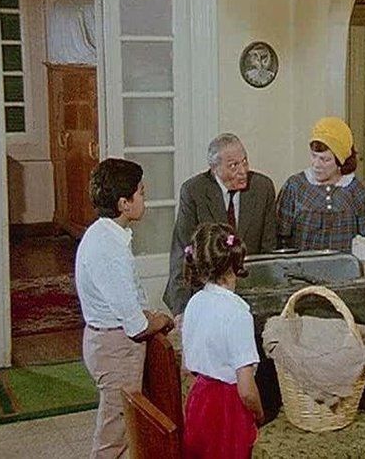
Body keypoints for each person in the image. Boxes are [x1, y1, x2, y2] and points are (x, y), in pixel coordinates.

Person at [76, 158, 174, 458]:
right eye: (141, 192)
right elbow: (136, 325)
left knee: (127, 432)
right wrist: (163, 320)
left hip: (111, 343)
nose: (145, 198)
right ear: (124, 203)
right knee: (113, 439)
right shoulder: (109, 249)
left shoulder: (105, 234)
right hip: (115, 350)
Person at [163, 133, 277, 316]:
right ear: (214, 168)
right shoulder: (194, 191)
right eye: (233, 165)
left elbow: (269, 251)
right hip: (206, 294)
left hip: (251, 294)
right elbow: (182, 253)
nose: (243, 171)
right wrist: (182, 310)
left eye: (245, 161)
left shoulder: (263, 187)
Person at [181, 223, 264, 458]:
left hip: (199, 399)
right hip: (228, 408)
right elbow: (246, 390)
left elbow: (186, 365)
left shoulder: (194, 302)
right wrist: (259, 414)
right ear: (234, 265)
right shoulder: (238, 312)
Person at [276, 116, 365, 251]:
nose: (316, 164)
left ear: (340, 161)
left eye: (325, 160)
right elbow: (280, 237)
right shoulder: (295, 186)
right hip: (302, 264)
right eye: (314, 156)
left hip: (345, 264)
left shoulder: (358, 190)